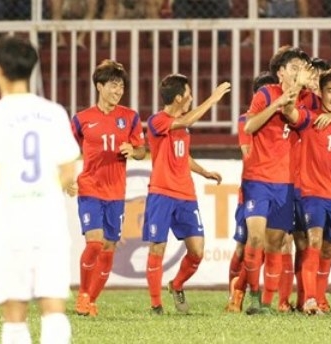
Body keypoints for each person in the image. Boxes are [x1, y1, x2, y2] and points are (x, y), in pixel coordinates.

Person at [0, 35, 79, 343]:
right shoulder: (54, 112)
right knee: (53, 309)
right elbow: (68, 170)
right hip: (48, 221)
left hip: (9, 222)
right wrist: (43, 191)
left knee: (15, 315)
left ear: (0, 70)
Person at [143, 74, 230, 315]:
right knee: (157, 248)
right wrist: (212, 99)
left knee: (197, 251)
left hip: (185, 194)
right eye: (189, 94)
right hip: (161, 193)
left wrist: (204, 172)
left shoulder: (182, 124)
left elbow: (183, 155)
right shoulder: (157, 121)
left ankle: (177, 284)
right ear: (179, 97)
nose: (191, 98)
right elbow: (187, 121)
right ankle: (156, 305)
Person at [70, 59, 146, 317]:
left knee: (110, 246)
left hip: (116, 192)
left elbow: (142, 150)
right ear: (99, 87)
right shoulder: (81, 119)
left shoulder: (130, 117)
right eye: (113, 86)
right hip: (90, 188)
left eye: (121, 86)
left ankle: (91, 299)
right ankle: (82, 295)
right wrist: (67, 177)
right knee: (94, 243)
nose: (118, 91)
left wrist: (132, 151)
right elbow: (68, 151)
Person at [241, 45, 313, 315]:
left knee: (275, 243)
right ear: (280, 72)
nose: (298, 73)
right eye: (293, 68)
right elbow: (249, 126)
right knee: (255, 238)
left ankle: (267, 304)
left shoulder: (306, 100)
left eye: (300, 69)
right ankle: (253, 297)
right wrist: (274, 105)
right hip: (258, 179)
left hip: (285, 183)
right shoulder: (264, 94)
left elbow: (297, 116)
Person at [297, 69, 331, 315]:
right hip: (313, 193)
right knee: (314, 241)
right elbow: (290, 112)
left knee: (329, 249)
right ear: (321, 92)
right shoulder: (310, 119)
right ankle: (309, 299)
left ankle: (319, 296)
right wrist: (298, 86)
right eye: (330, 91)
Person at [225, 71, 277, 313]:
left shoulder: (283, 120)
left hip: (277, 187)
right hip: (252, 189)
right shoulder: (246, 119)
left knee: (266, 246)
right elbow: (248, 150)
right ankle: (233, 294)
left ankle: (243, 292)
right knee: (243, 245)